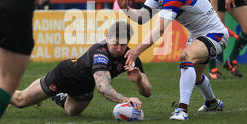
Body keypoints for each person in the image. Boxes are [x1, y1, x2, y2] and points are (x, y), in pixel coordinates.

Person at [116, 0, 228, 121]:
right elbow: (142, 18)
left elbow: (160, 29)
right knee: (195, 77)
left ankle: (182, 110)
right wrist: (126, 9)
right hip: (197, 36)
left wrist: (137, 51)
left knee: (185, 56)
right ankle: (212, 103)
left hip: (216, 34)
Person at [11, 21, 151, 115]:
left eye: (123, 44)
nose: (119, 48)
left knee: (71, 112)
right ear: (107, 37)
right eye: (116, 43)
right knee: (20, 100)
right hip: (64, 76)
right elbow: (103, 88)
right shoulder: (99, 52)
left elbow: (147, 92)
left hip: (84, 88)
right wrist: (125, 100)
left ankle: (55, 95)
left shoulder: (130, 56)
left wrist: (139, 81)